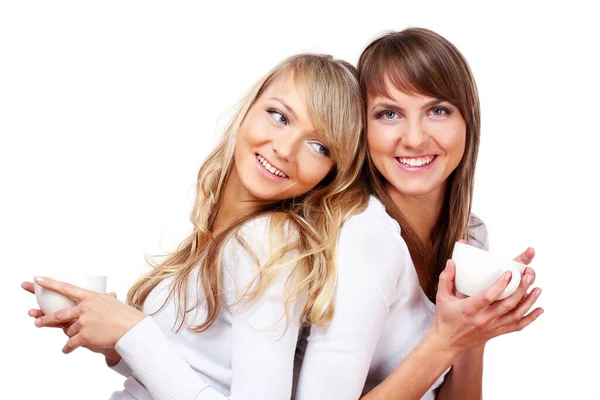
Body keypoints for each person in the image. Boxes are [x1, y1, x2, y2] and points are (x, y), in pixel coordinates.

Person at [22, 53, 369, 400]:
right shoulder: (233, 231)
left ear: (333, 172)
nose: (284, 149)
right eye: (279, 117)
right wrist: (115, 343)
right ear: (249, 108)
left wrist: (132, 332)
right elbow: (198, 373)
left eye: (319, 146)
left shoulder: (267, 241)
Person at [292, 28, 544, 400]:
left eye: (437, 110)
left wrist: (474, 335)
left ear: (468, 121)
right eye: (389, 113)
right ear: (362, 129)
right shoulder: (365, 236)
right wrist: (445, 341)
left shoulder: (470, 236)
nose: (414, 138)